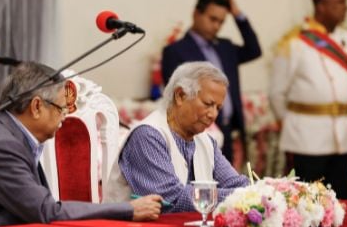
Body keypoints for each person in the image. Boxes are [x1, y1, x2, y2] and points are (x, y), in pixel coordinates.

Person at [0, 62, 162, 227]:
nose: (65, 115)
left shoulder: (10, 133)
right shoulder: (3, 145)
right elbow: (47, 212)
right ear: (36, 107)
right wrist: (127, 210)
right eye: (61, 107)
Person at [104, 61, 250, 212]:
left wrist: (264, 191)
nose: (213, 115)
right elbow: (171, 200)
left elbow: (234, 183)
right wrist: (244, 196)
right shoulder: (147, 136)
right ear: (180, 95)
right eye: (208, 104)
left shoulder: (207, 141)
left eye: (218, 108)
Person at [268, 0, 347, 199]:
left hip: (342, 137)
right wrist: (294, 125)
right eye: (339, 2)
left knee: (343, 200)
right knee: (308, 202)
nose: (346, 7)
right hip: (306, 138)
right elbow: (277, 93)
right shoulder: (294, 43)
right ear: (321, 6)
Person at [161, 0, 262, 162]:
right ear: (196, 14)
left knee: (227, 184)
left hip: (228, 128)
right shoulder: (176, 51)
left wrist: (237, 14)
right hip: (197, 129)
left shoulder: (225, 47)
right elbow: (175, 96)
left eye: (221, 22)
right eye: (212, 19)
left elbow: (254, 50)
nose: (216, 26)